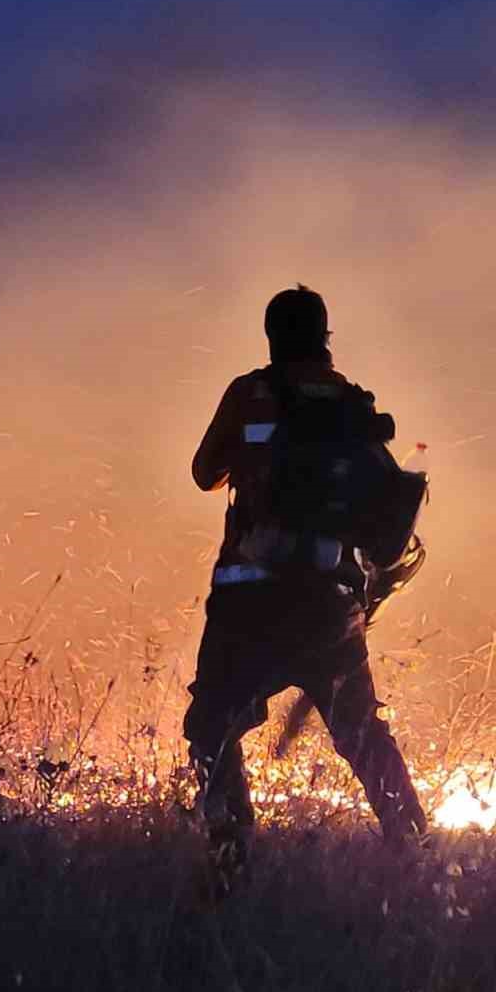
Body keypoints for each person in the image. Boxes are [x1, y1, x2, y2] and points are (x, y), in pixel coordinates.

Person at [185, 285, 427, 883]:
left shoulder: (251, 394)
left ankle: (230, 853)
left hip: (249, 603)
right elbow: (387, 502)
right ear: (325, 337)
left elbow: (204, 473)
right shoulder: (352, 404)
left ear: (271, 337)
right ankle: (418, 854)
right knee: (364, 735)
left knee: (213, 726)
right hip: (329, 603)